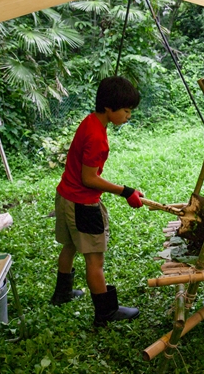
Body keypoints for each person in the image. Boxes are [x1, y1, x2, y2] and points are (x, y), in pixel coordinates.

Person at [51, 76, 144, 327]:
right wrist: (126, 191)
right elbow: (89, 178)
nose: (128, 116)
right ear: (109, 108)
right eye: (126, 111)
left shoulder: (90, 121)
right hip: (82, 204)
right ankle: (105, 312)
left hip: (66, 197)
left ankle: (62, 294)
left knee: (70, 246)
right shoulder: (97, 138)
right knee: (95, 261)